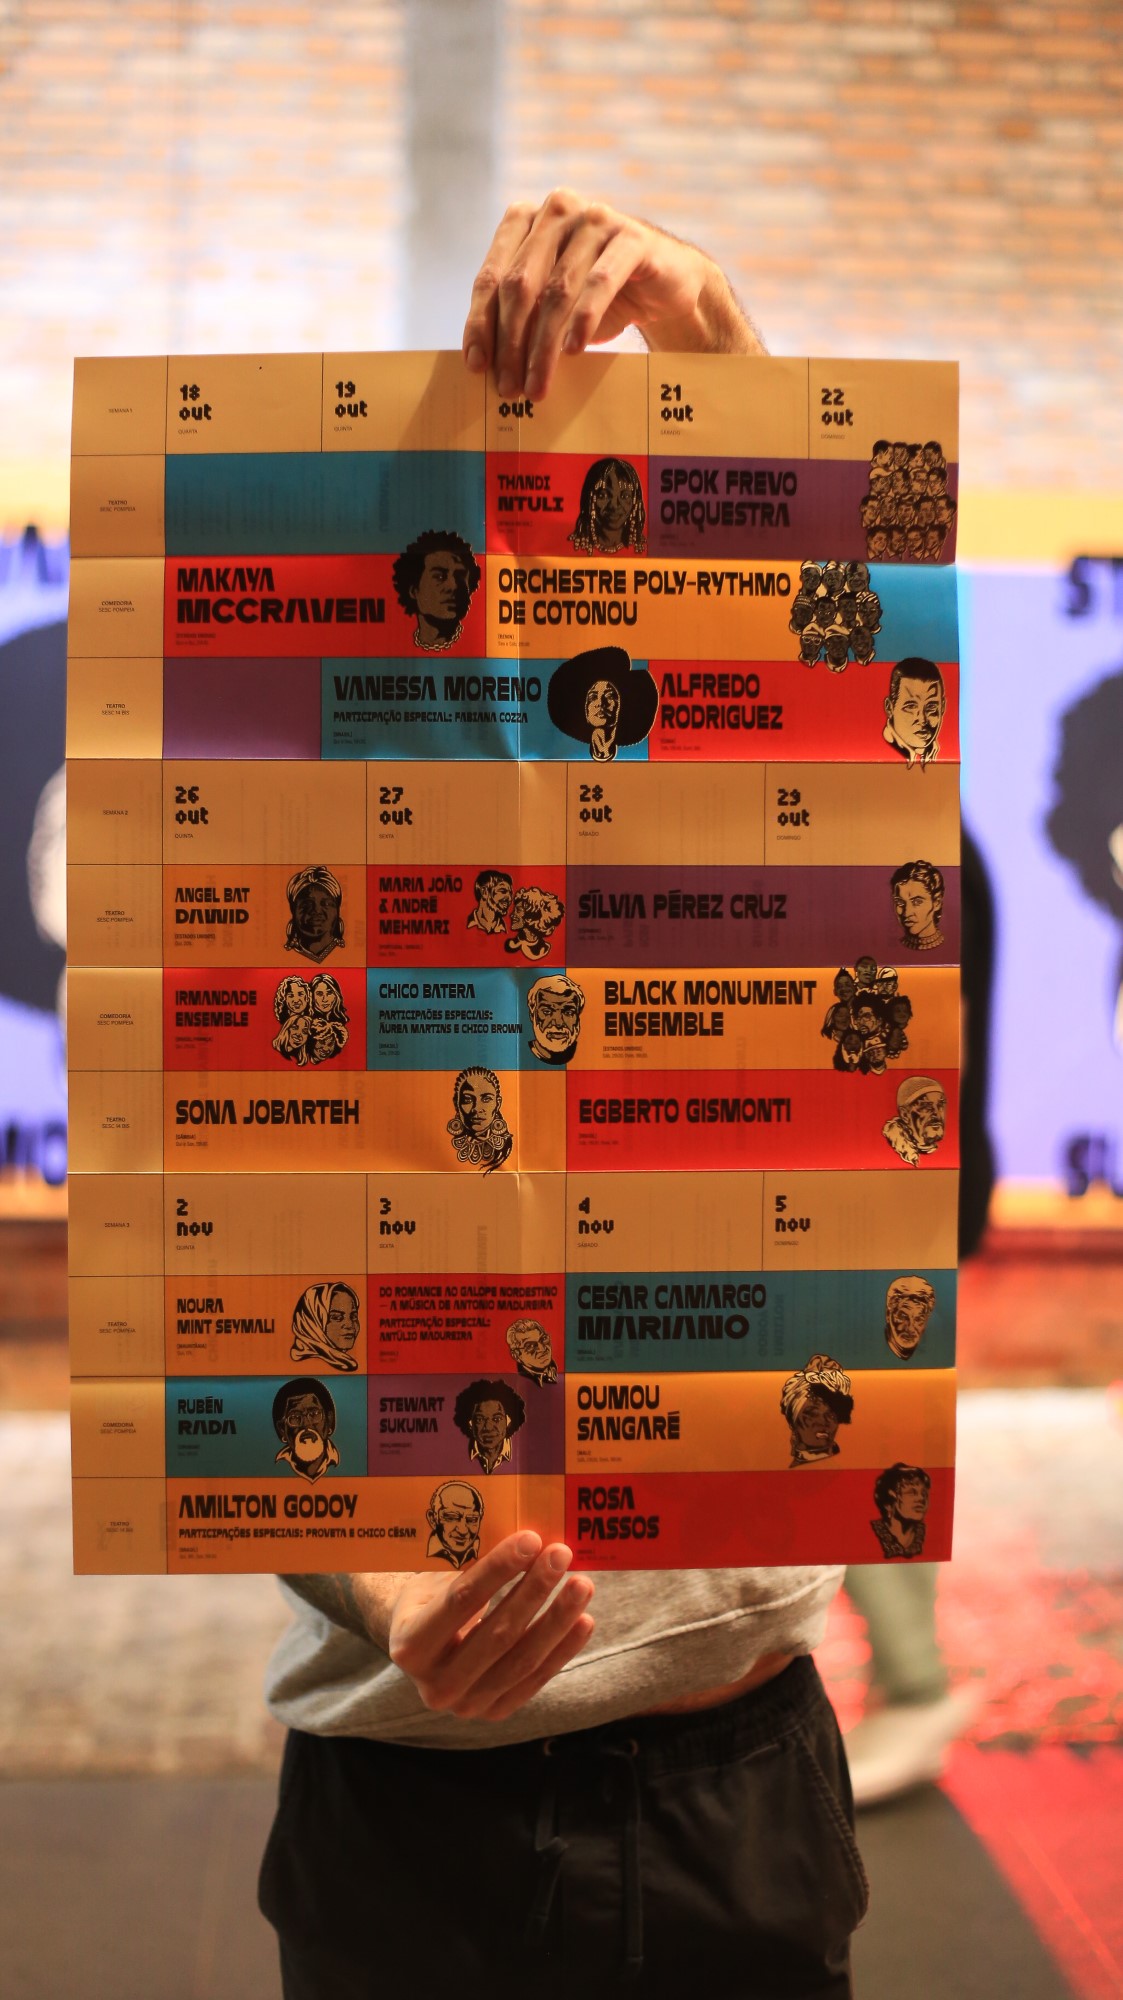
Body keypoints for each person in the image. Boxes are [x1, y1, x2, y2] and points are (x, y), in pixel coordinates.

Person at [260, 191, 865, 2000]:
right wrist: (385, 1584)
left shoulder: (747, 863)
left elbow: (839, 645)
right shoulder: (296, 890)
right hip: (408, 1793)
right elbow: (220, 1318)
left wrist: (711, 329)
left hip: (735, 1768)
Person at [391, 529, 482, 651]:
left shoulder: (478, 644)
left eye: (460, 576)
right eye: (439, 577)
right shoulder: (396, 646)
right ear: (414, 590)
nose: (453, 586)